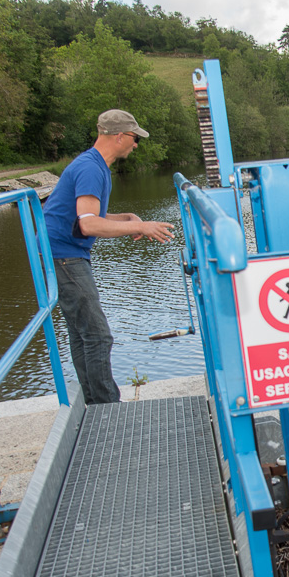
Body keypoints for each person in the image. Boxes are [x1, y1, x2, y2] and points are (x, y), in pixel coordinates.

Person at [43, 109, 174, 404]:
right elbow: (88, 225)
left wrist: (127, 218)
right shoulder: (91, 168)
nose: (136, 144)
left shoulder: (93, 165)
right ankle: (108, 408)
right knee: (98, 336)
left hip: (60, 252)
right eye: (134, 137)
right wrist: (139, 225)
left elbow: (84, 217)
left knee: (82, 334)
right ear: (119, 136)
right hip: (63, 255)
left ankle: (95, 403)